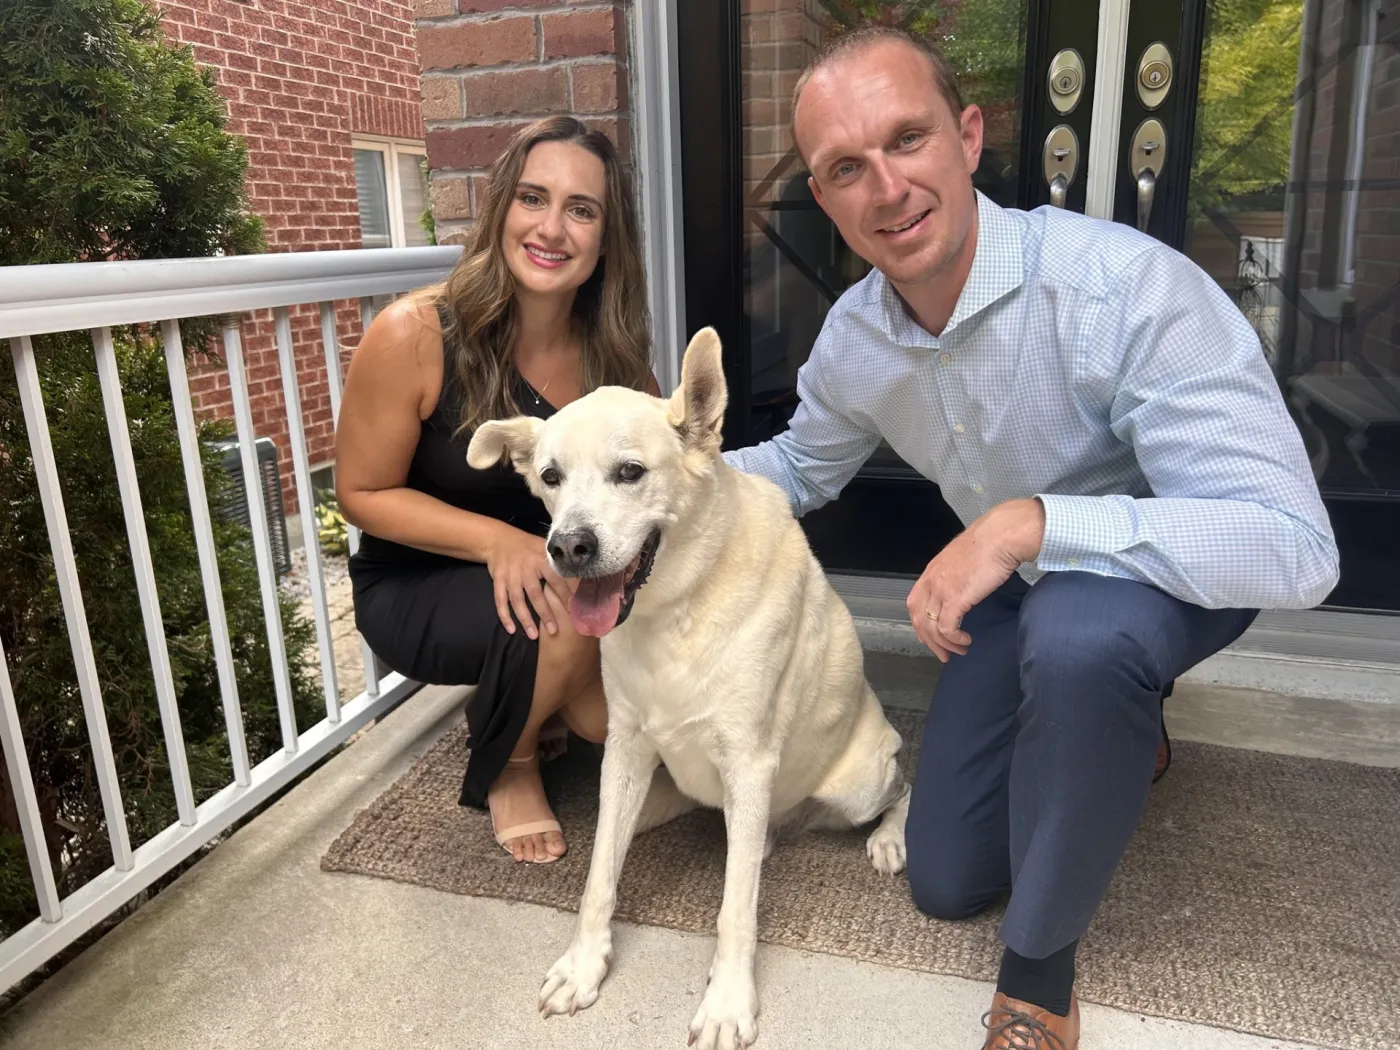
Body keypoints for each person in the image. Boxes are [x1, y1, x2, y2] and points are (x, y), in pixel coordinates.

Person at [721, 28, 1339, 1050]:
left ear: (967, 138)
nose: (884, 187)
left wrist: (1029, 523)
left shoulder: (1123, 288)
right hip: (1022, 586)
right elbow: (794, 470)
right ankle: (1117, 724)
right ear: (824, 201)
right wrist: (635, 480)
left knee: (1084, 642)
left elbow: (1291, 545)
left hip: (1165, 566)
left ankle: (1037, 984)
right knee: (945, 877)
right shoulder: (857, 339)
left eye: (906, 139)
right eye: (843, 169)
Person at [335, 116, 660, 865]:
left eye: (582, 210)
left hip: (552, 566)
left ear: (606, 240)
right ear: (500, 212)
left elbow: (661, 466)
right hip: (420, 576)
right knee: (574, 623)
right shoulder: (414, 333)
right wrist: (499, 543)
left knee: (606, 725)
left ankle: (545, 701)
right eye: (532, 199)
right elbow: (360, 492)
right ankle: (508, 762)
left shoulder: (612, 353)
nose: (552, 228)